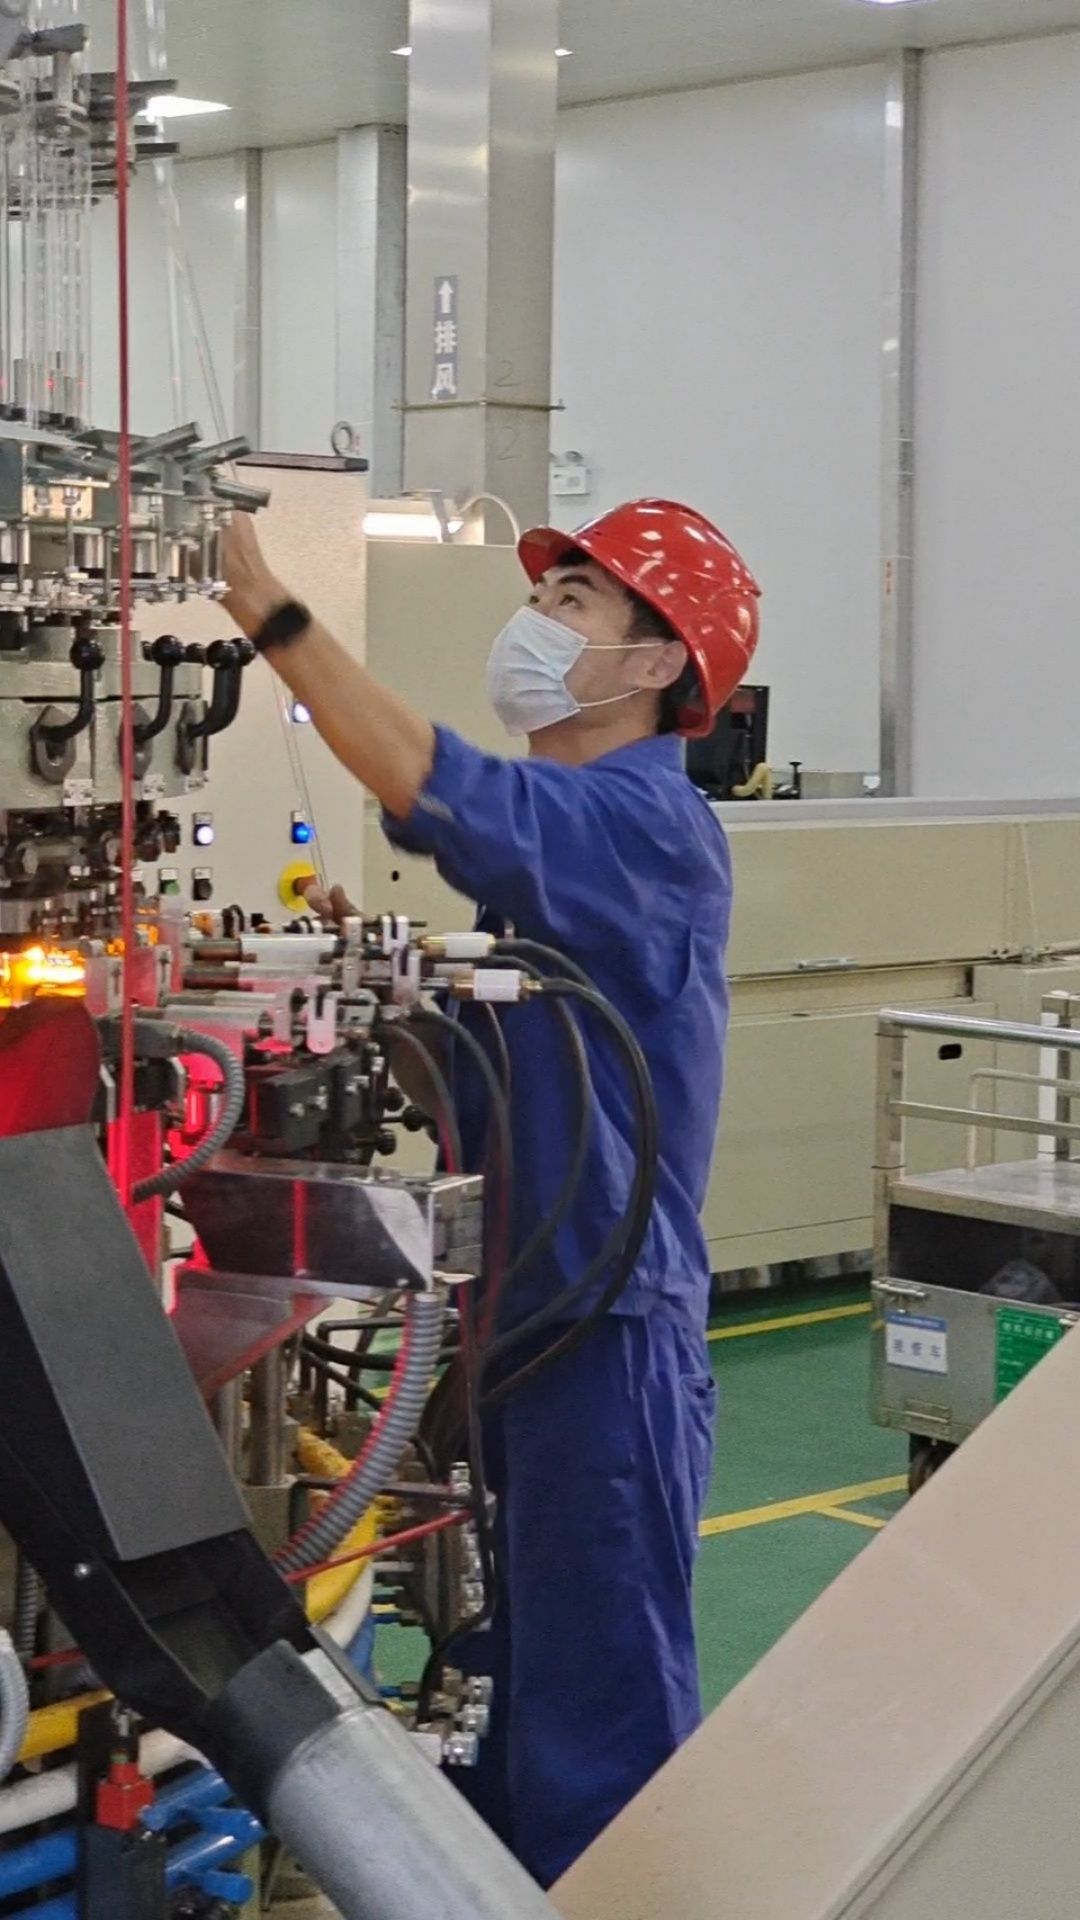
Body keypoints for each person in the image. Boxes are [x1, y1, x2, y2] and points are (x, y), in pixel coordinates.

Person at [221, 498, 761, 1887]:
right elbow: (493, 1077)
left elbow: (446, 786)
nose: (538, 621)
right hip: (530, 1324)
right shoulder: (562, 877)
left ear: (655, 666)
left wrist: (268, 611)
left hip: (609, 1335)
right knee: (505, 1690)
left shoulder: (644, 824)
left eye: (577, 600)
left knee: (603, 1726)